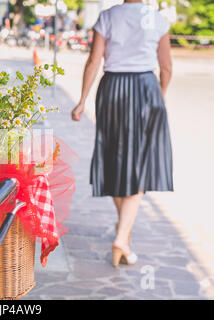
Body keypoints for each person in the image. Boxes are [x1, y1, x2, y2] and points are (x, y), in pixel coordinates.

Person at [71, 0, 174, 267]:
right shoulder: (158, 19)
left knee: (114, 157)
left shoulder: (108, 17)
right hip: (145, 88)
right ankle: (122, 237)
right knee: (139, 163)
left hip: (112, 89)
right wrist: (159, 98)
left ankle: (123, 235)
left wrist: (82, 100)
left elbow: (94, 60)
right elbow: (166, 69)